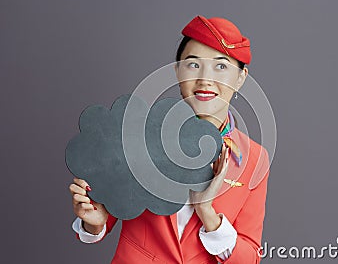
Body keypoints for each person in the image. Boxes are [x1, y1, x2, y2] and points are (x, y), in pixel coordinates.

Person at [69, 15, 271, 264]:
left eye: (221, 66)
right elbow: (104, 216)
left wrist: (207, 211)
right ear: (177, 71)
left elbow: (249, 257)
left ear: (241, 78)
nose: (205, 79)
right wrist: (94, 223)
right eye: (193, 64)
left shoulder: (254, 158)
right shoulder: (139, 133)